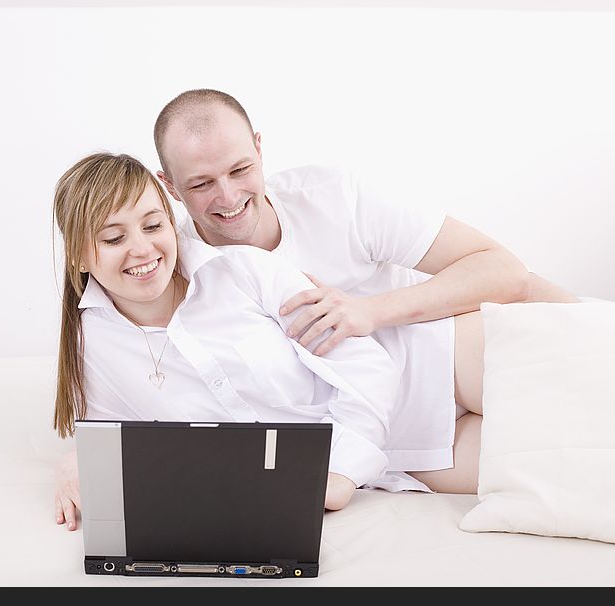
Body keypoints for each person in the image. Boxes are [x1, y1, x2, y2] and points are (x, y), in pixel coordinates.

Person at [150, 89, 578, 497]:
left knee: (583, 391)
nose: (228, 196)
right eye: (201, 184)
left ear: (260, 149)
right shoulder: (179, 277)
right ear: (170, 186)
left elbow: (505, 271)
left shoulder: (333, 198)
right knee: (575, 466)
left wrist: (369, 312)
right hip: (403, 443)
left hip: (447, 353)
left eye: (240, 169)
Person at [53, 152, 484, 532]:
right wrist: (75, 462)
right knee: (544, 465)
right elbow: (113, 437)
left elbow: (367, 366)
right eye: (114, 238)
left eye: (153, 225)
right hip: (404, 453)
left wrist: (339, 474)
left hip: (434, 361)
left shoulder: (241, 271)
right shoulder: (93, 345)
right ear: (78, 254)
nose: (143, 249)